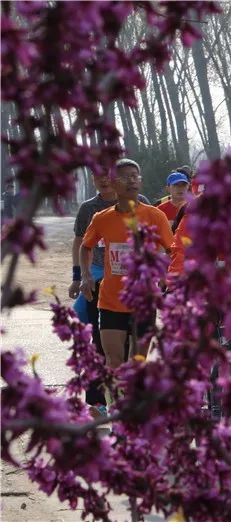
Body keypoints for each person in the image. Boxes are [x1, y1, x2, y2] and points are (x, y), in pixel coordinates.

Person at [79, 159, 173, 381]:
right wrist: (85, 275)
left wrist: (166, 275)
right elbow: (85, 246)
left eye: (135, 176)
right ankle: (116, 401)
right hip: (111, 301)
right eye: (125, 177)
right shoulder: (101, 218)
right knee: (113, 363)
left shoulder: (155, 216)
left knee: (137, 363)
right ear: (113, 183)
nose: (132, 181)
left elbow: (173, 250)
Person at [70, 165, 149, 416]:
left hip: (135, 284)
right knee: (97, 338)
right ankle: (99, 403)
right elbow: (81, 243)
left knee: (133, 349)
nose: (102, 181)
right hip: (99, 277)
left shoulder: (142, 203)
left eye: (107, 176)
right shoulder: (90, 209)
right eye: (98, 177)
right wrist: (79, 277)